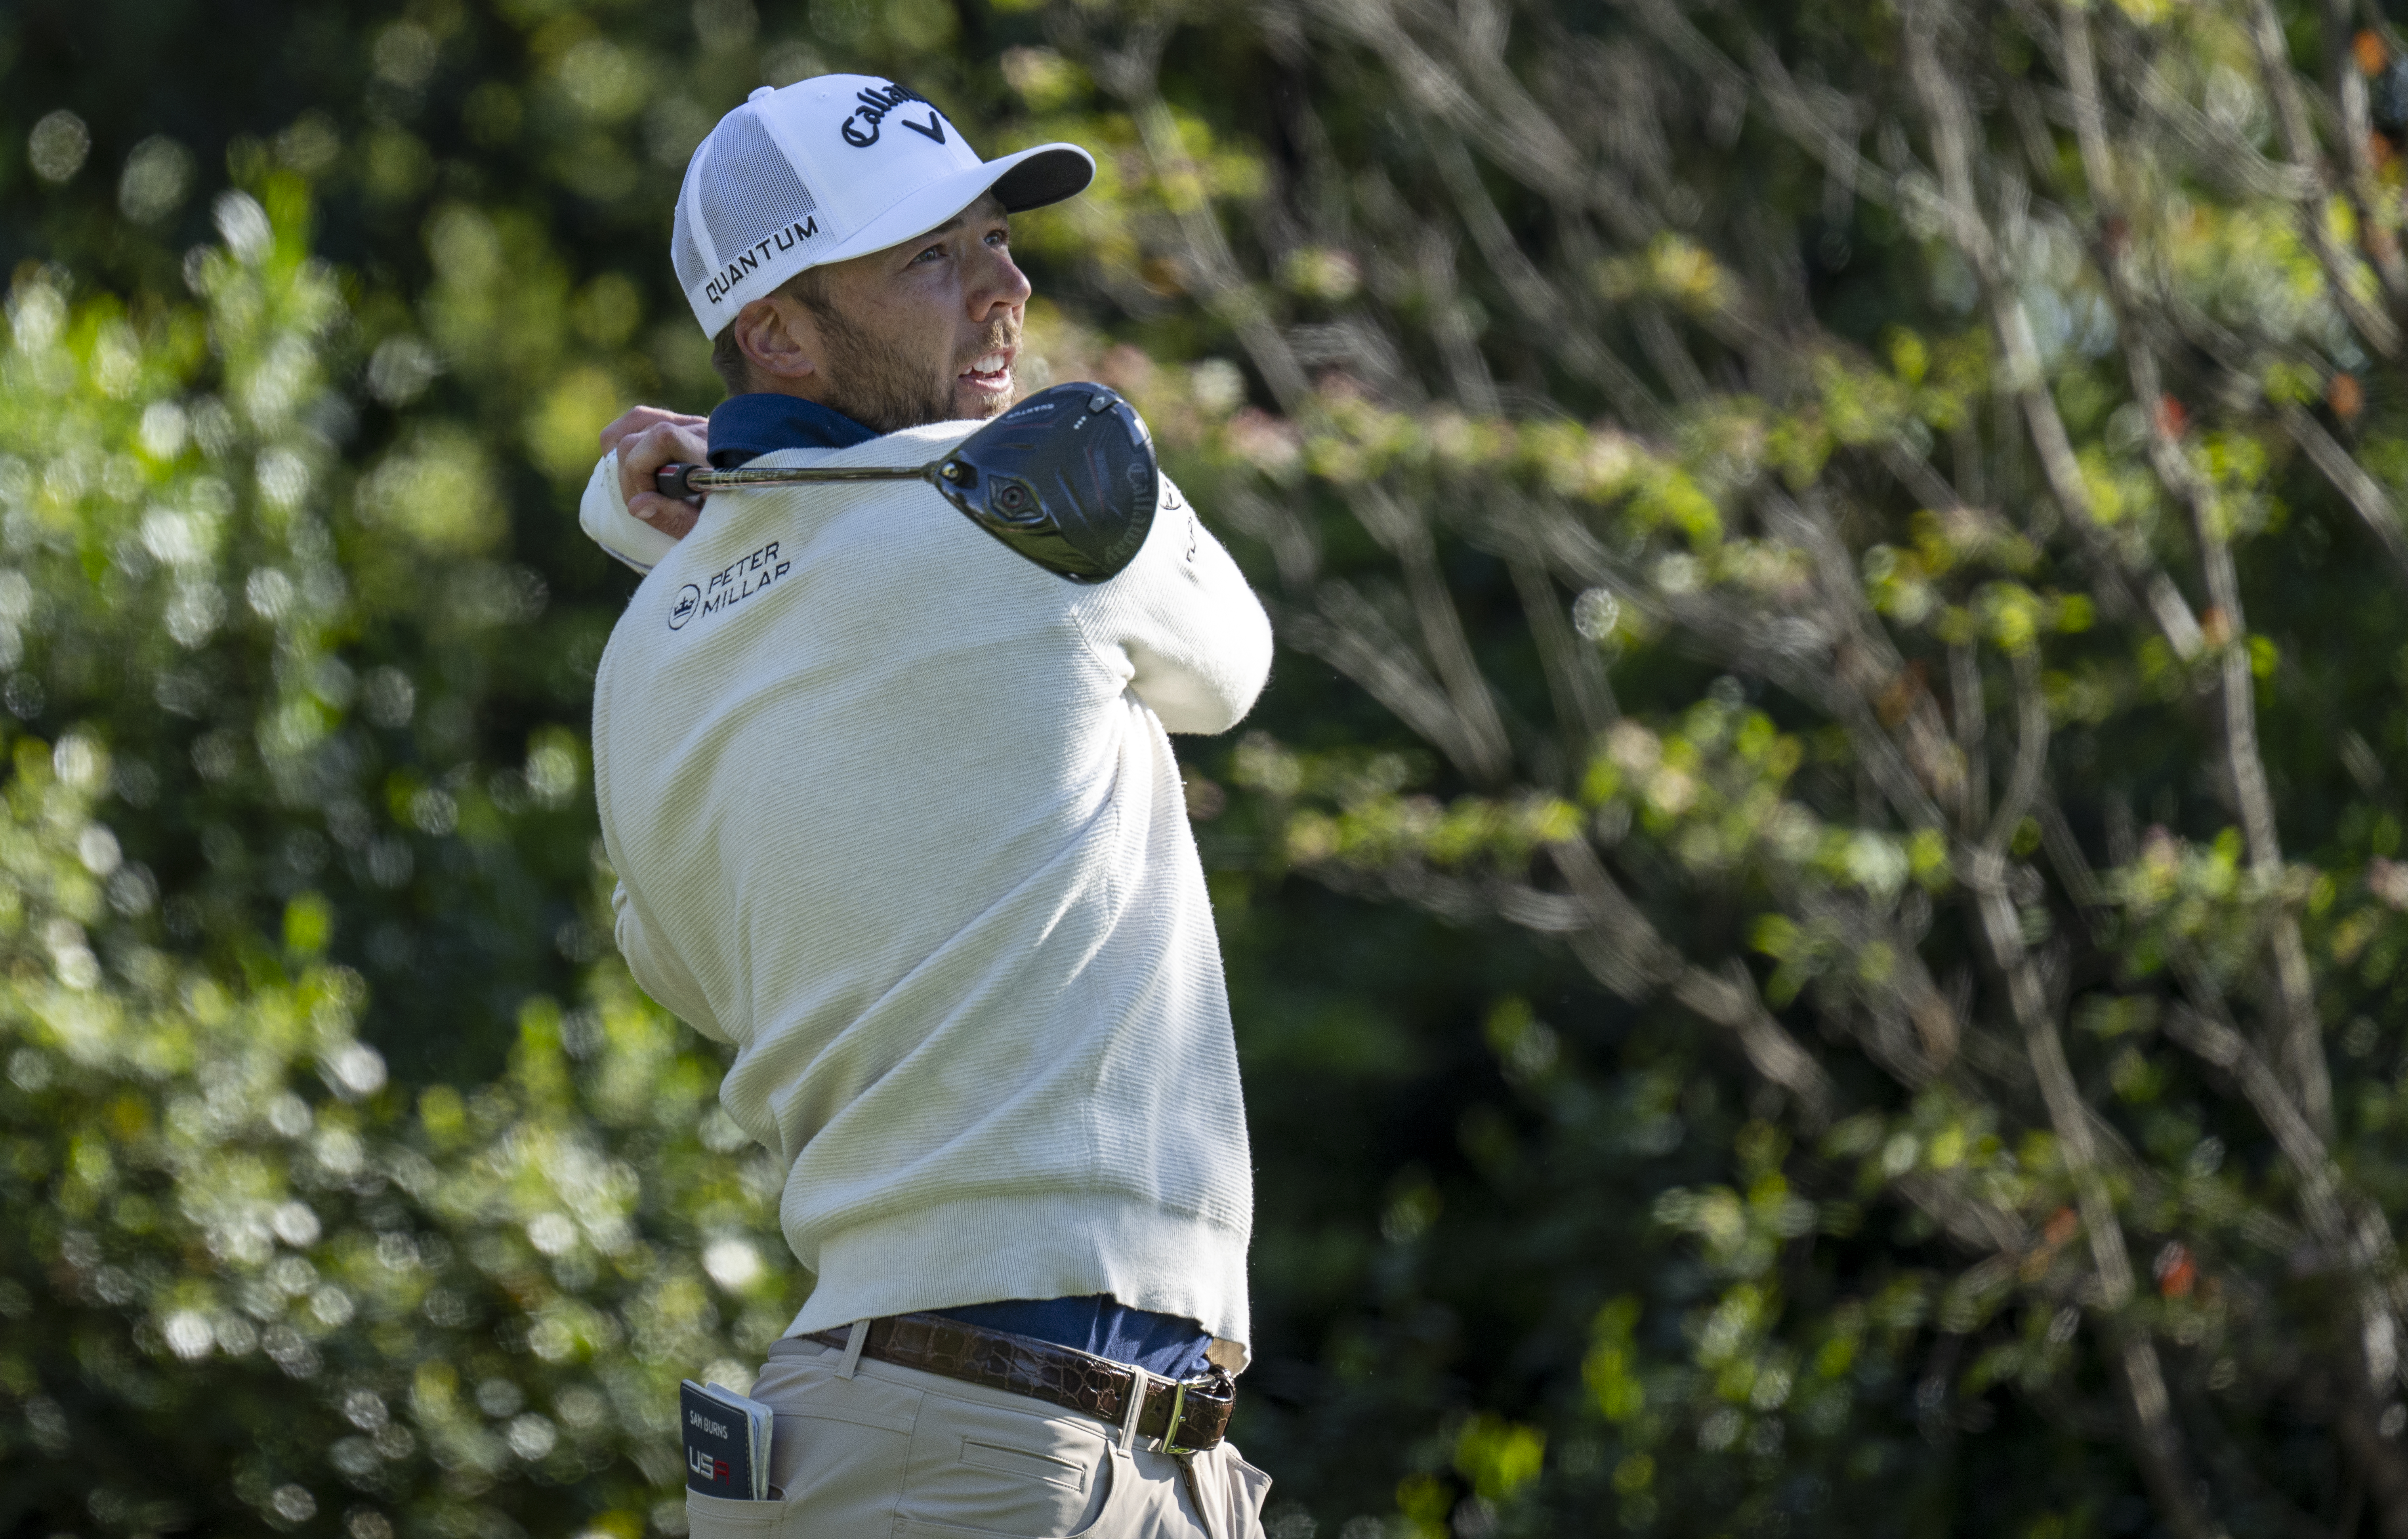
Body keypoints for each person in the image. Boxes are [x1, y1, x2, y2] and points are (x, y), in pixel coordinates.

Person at [576, 74, 1277, 1538]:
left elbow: (694, 975)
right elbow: (1233, 668)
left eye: (996, 240)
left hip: (957, 1431)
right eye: (932, 258)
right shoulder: (1032, 494)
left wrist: (706, 542)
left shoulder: (646, 655)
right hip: (1007, 1444)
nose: (1006, 289)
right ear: (774, 332)